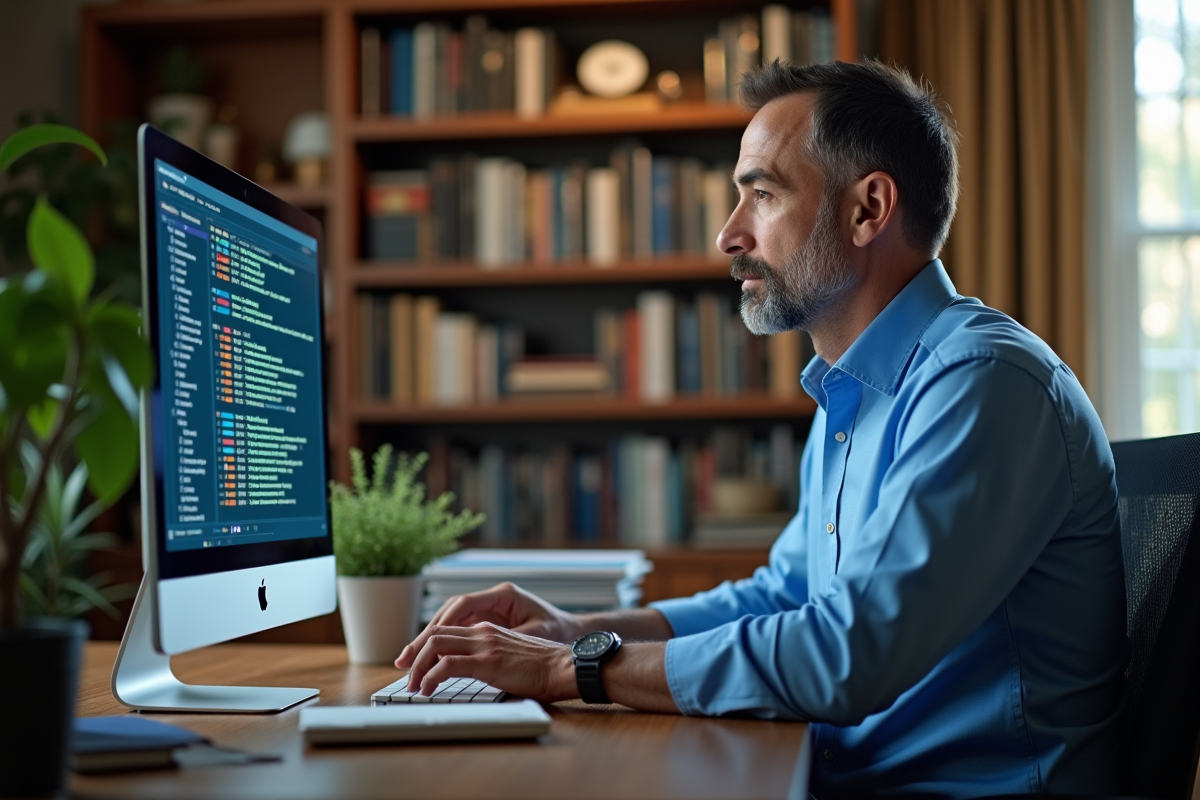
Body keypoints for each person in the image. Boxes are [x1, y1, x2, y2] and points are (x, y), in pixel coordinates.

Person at [396, 60, 1127, 796]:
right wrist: (573, 629)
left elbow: (846, 656)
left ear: (868, 209)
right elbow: (785, 596)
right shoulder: (855, 392)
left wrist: (570, 668)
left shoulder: (982, 383)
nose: (728, 235)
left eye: (763, 194)